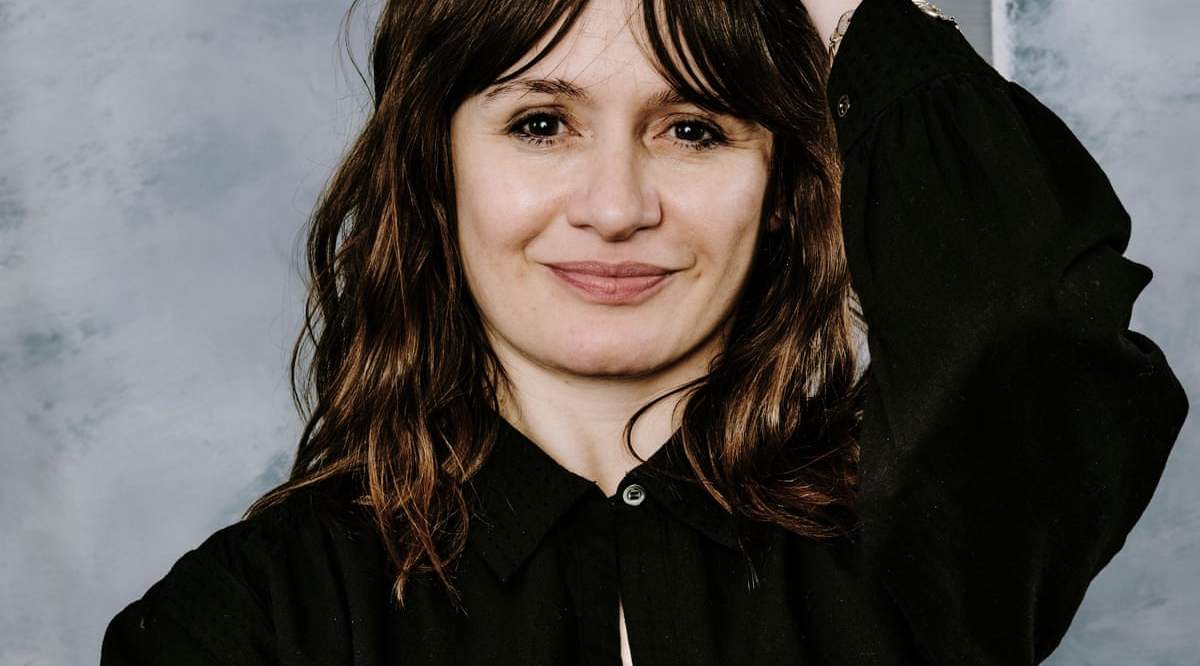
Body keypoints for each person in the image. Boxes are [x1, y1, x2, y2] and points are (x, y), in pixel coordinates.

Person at [100, 0, 1189, 663]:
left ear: (783, 188)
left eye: (693, 128)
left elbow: (1029, 322)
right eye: (541, 124)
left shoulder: (909, 553)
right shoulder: (257, 619)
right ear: (437, 173)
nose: (617, 206)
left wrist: (851, 16)